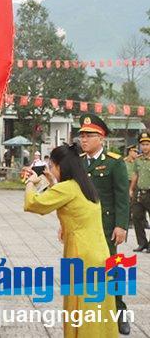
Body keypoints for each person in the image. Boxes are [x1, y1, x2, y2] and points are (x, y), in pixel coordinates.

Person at [21, 144, 115, 337]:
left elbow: (33, 204)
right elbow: (71, 205)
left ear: (59, 166)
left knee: (82, 309)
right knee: (98, 309)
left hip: (82, 256)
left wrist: (31, 182)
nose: (51, 169)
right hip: (99, 254)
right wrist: (51, 180)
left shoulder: (68, 188)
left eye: (52, 166)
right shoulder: (84, 185)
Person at [77, 115, 131, 335]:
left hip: (106, 227)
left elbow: (122, 197)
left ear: (101, 138)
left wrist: (121, 225)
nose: (84, 140)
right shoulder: (79, 162)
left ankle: (119, 312)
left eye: (89, 135)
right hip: (82, 227)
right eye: (82, 135)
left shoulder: (114, 162)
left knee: (112, 268)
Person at [129, 133, 150, 253]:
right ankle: (142, 243)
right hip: (139, 192)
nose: (145, 147)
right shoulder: (138, 160)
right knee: (136, 217)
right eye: (143, 144)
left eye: (147, 144)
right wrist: (131, 189)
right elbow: (135, 175)